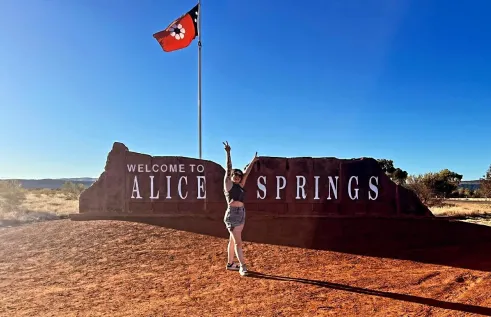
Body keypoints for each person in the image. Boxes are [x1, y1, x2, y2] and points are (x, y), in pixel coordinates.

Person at [222, 141, 258, 276]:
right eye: (234, 175)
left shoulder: (241, 185)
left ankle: (230, 264)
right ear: (231, 177)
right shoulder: (228, 185)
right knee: (238, 243)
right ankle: (242, 266)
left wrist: (253, 161)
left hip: (241, 213)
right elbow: (228, 167)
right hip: (232, 216)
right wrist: (228, 153)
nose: (237, 177)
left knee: (233, 240)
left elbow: (246, 173)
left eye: (239, 176)